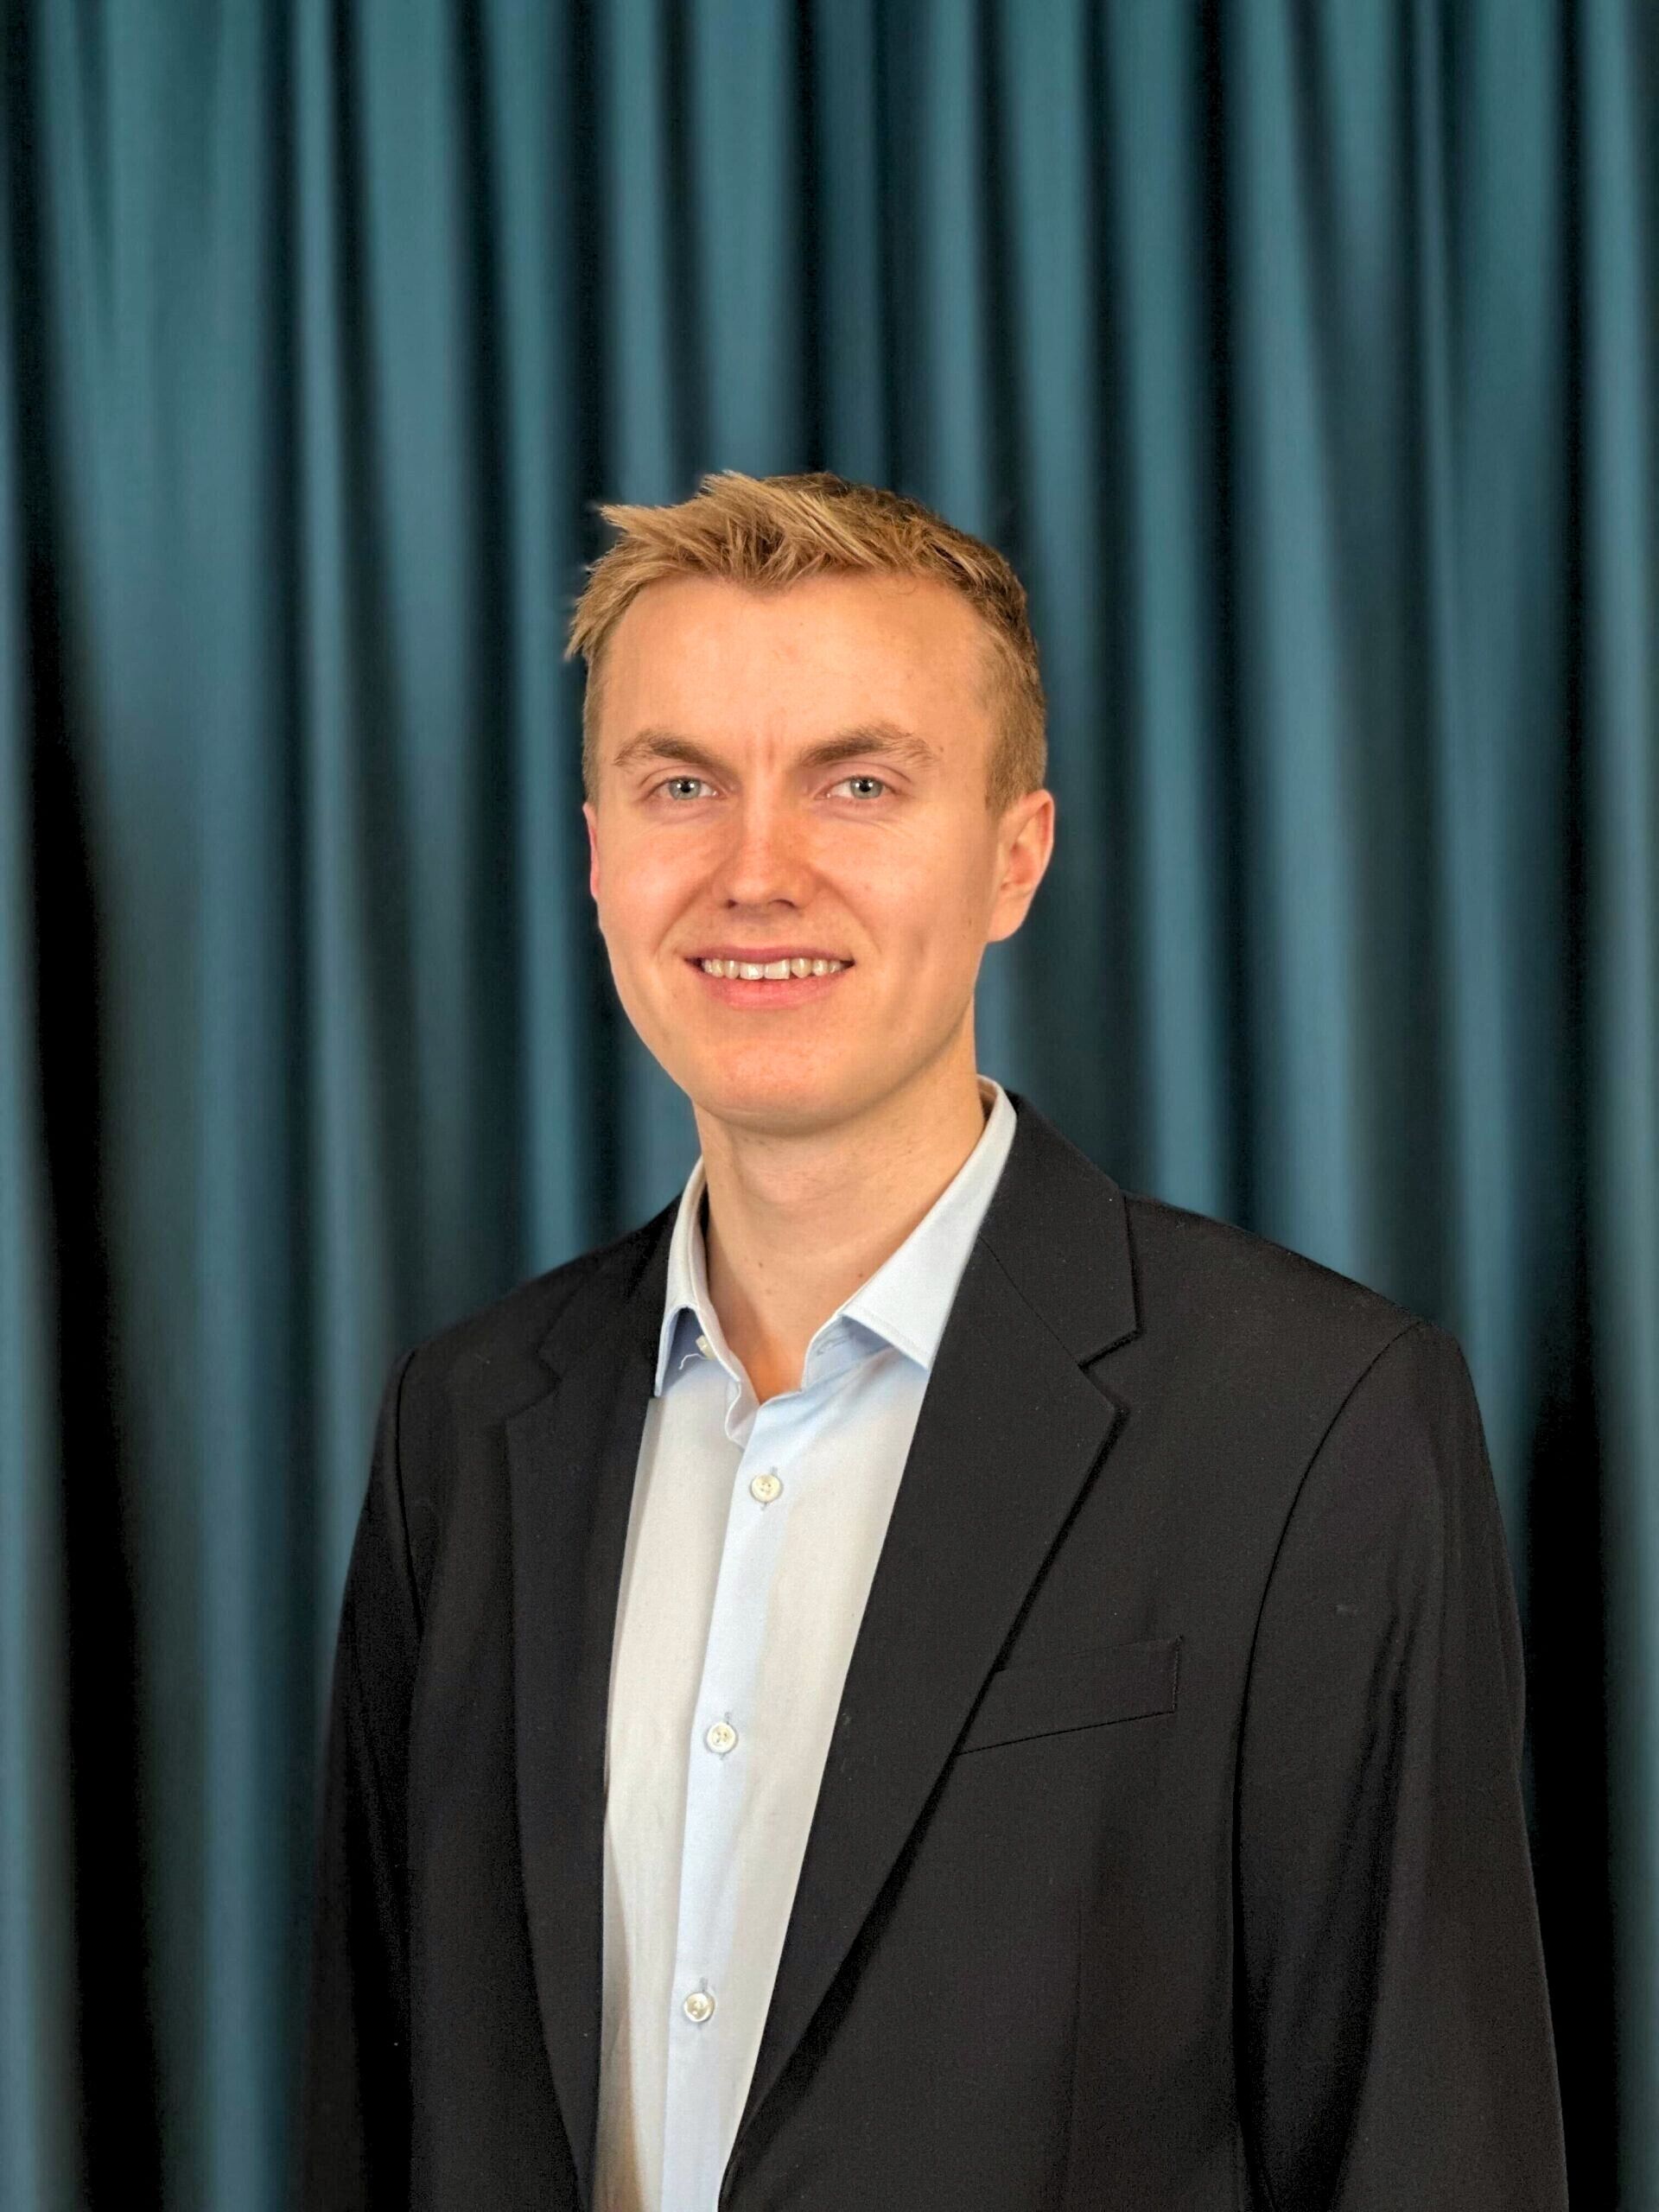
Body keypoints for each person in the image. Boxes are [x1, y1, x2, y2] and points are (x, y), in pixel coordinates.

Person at [294, 470, 1569, 2211]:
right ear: (596, 854)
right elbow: (374, 2114)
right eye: (682, 784)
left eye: (860, 783)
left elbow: (1432, 2151)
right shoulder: (465, 1428)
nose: (757, 871)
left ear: (1014, 854)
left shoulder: (1315, 1425)